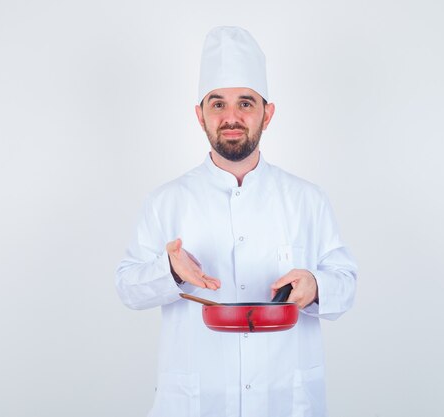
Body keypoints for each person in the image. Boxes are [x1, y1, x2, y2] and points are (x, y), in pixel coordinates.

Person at [116, 26, 357, 417]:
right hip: (196, 401)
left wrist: (316, 287)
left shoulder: (307, 200)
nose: (231, 117)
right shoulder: (166, 201)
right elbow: (126, 287)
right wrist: (170, 272)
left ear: (268, 113)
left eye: (245, 103)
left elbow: (345, 283)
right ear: (200, 116)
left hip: (285, 398)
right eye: (217, 104)